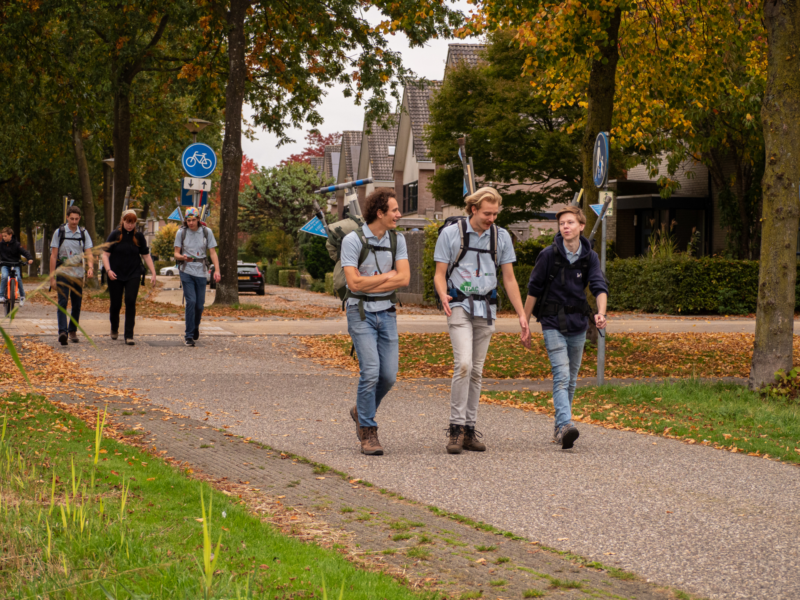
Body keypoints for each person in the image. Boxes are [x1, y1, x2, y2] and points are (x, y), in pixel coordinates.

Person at [433, 187, 530, 454]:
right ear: (473, 209)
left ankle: (469, 429)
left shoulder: (501, 237)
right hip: (459, 305)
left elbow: (509, 279)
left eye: (495, 213)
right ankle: (455, 429)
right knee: (463, 364)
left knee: (476, 370)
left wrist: (522, 315)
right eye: (487, 213)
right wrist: (442, 294)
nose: (492, 218)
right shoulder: (451, 234)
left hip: (487, 307)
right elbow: (439, 273)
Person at [523, 205, 608, 449]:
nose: (566, 227)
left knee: (571, 379)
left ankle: (560, 427)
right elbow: (533, 290)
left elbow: (599, 286)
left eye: (570, 222)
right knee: (561, 375)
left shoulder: (589, 256)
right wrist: (525, 324)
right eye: (562, 224)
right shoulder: (548, 255)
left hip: (578, 324)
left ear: (581, 226)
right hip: (552, 323)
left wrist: (600, 313)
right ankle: (566, 424)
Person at [342, 188, 410, 456]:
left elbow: (404, 279)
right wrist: (387, 277)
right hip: (360, 313)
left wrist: (371, 282)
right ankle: (368, 431)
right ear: (380, 213)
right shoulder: (352, 240)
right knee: (370, 372)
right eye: (394, 210)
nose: (398, 214)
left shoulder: (398, 239)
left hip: (387, 312)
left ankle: (361, 410)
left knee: (389, 376)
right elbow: (353, 283)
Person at [101, 209, 157, 345]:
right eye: (127, 222)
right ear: (123, 221)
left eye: (132, 222)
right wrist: (108, 270)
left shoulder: (139, 237)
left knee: (130, 301)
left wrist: (153, 272)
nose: (129, 225)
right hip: (115, 273)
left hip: (133, 273)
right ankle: (114, 327)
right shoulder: (115, 235)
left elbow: (145, 255)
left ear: (135, 223)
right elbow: (105, 254)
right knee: (116, 304)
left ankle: (129, 335)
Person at [173, 207, 220, 346]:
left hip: (201, 272)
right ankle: (188, 335)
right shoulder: (181, 232)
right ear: (185, 221)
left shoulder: (207, 232)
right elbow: (176, 253)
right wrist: (183, 257)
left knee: (199, 305)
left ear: (199, 219)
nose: (191, 223)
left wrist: (217, 270)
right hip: (186, 270)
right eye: (188, 220)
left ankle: (195, 326)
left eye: (193, 220)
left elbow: (212, 253)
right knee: (191, 302)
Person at [50, 206, 94, 345]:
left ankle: (72, 330)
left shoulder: (83, 233)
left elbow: (89, 252)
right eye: (71, 218)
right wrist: (52, 278)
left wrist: (91, 267)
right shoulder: (59, 232)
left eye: (76, 219)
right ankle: (62, 332)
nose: (74, 221)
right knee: (62, 302)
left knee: (77, 303)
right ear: (67, 217)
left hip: (78, 273)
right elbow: (53, 256)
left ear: (79, 218)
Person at [0, 227, 34, 307]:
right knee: (4, 276)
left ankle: (22, 296)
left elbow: (24, 252)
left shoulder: (16, 244)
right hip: (5, 264)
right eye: (3, 236)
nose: (3, 238)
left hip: (15, 264)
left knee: (18, 278)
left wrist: (30, 258)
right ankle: (1, 296)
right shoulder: (1, 245)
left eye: (5, 236)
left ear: (10, 235)